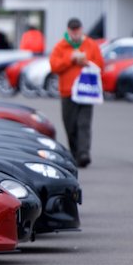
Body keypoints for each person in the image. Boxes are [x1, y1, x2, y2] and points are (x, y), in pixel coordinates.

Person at [49, 17, 104, 168]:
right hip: (67, 92)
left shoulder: (90, 45)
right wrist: (70, 59)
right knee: (70, 124)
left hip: (86, 92)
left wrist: (87, 62)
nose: (75, 34)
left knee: (84, 124)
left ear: (81, 29)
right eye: (72, 31)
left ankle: (84, 153)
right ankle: (75, 153)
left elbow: (100, 65)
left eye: (77, 30)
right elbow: (54, 67)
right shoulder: (61, 47)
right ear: (68, 31)